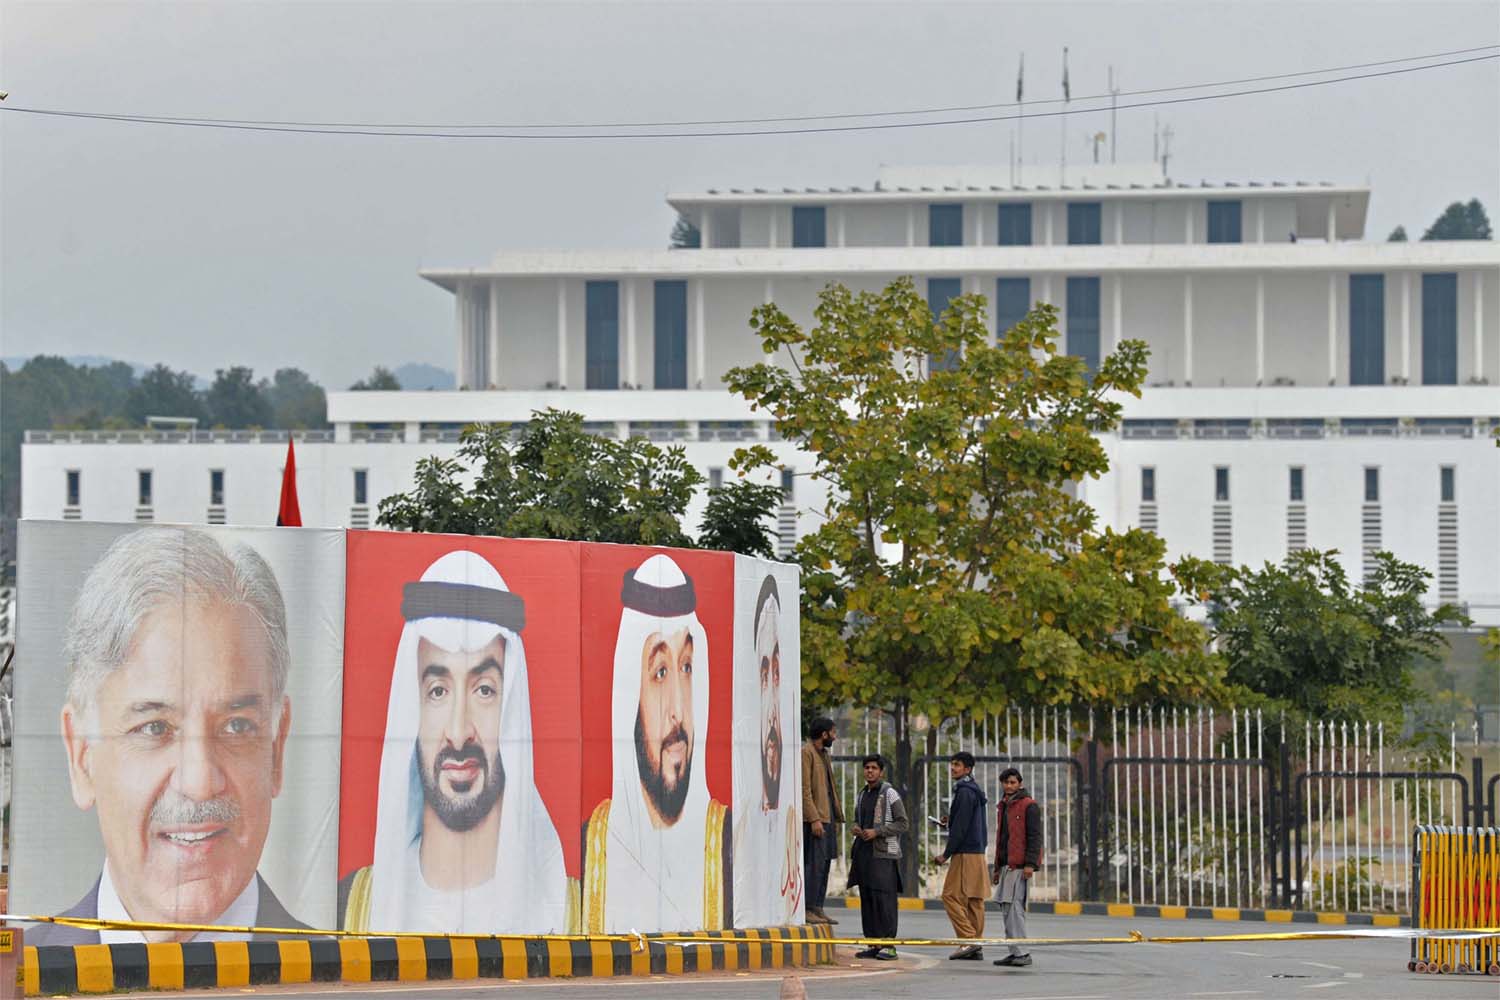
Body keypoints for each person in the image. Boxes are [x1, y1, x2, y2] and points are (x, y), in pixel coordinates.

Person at [42, 526, 308, 944]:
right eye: (155, 728)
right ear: (81, 756)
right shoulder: (19, 975)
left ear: (276, 749)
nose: (200, 783)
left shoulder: (341, 979)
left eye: (237, 726)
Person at [341, 550, 573, 934]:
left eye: (484, 690)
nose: (459, 731)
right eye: (437, 691)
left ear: (510, 709)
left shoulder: (561, 906)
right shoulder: (359, 903)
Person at [583, 553, 730, 933]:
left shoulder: (726, 840)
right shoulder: (594, 845)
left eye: (686, 668)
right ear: (630, 695)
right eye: (660, 672)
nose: (678, 711)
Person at [732, 574, 801, 926]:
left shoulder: (791, 822)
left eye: (778, 673)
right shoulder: (736, 826)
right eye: (763, 673)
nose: (773, 712)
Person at [846, 754, 906, 961]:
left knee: (884, 900)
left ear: (881, 772)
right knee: (868, 899)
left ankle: (889, 946)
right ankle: (873, 943)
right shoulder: (862, 794)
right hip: (864, 854)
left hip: (883, 856)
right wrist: (856, 828)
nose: (869, 771)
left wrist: (877, 831)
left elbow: (902, 823)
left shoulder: (889, 794)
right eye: (866, 768)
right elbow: (857, 819)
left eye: (873, 768)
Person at [934, 751, 988, 960]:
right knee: (974, 900)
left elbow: (962, 828)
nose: (952, 768)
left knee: (950, 895)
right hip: (977, 850)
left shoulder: (964, 791)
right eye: (952, 764)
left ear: (967, 769)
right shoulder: (973, 789)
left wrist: (946, 854)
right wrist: (951, 819)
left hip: (965, 852)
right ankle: (976, 944)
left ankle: (968, 939)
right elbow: (965, 820)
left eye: (957, 765)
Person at [991, 766, 1043, 968]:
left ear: (1020, 784)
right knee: (1006, 908)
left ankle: (1022, 952)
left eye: (1013, 782)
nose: (1009, 786)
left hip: (1020, 866)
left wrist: (1030, 864)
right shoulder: (1004, 806)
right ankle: (1014, 951)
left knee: (1015, 909)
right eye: (1006, 782)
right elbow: (1002, 839)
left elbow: (1034, 837)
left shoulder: (1029, 806)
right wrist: (997, 868)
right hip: (1006, 866)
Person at [800, 715, 842, 925]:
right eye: (833, 733)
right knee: (814, 865)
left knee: (825, 864)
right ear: (824, 734)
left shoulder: (824, 755)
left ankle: (818, 907)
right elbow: (805, 790)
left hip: (827, 817)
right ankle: (807, 908)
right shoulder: (806, 753)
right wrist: (814, 818)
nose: (835, 737)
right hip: (815, 820)